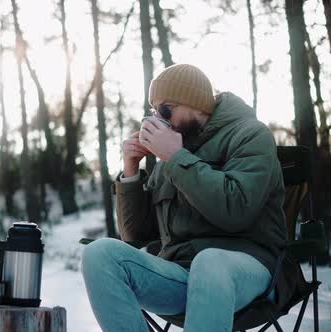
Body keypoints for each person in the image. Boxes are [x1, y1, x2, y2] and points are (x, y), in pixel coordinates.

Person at [81, 64, 295, 331]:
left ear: (197, 105)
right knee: (99, 254)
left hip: (249, 270)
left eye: (166, 109)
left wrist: (176, 157)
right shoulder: (171, 150)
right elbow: (135, 235)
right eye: (154, 111)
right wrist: (131, 170)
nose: (159, 118)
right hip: (181, 273)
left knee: (210, 262)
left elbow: (236, 210)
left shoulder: (250, 135)